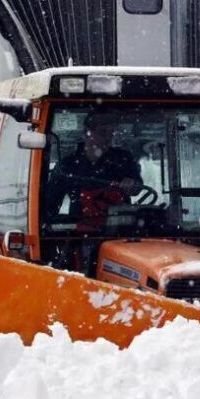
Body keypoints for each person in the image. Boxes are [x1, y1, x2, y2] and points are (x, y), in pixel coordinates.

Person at [49, 111, 143, 276]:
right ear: (87, 133)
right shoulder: (68, 165)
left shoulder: (123, 160)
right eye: (103, 132)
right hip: (79, 236)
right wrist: (52, 226)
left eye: (111, 133)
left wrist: (132, 184)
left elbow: (137, 187)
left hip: (120, 235)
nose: (108, 138)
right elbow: (50, 201)